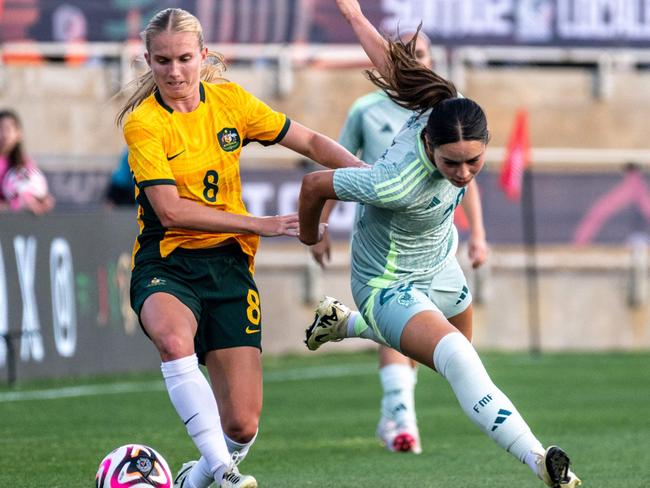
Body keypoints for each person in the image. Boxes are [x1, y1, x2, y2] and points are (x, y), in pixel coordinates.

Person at [298, 1, 581, 487]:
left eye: (474, 161)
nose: (464, 173)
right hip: (386, 283)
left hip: (442, 265)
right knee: (458, 359)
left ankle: (343, 323)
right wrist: (311, 233)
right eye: (452, 164)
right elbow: (314, 185)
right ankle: (543, 462)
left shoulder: (447, 107)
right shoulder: (393, 183)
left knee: (458, 359)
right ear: (428, 145)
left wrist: (353, 17)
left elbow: (394, 65)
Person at [117, 8, 364, 488]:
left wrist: (370, 177)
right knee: (172, 340)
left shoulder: (229, 102)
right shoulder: (144, 124)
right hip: (167, 260)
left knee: (243, 424)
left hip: (229, 265)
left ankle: (197, 478)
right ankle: (227, 474)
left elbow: (309, 140)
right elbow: (170, 211)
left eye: (184, 59)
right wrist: (260, 223)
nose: (174, 72)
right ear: (147, 60)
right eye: (162, 61)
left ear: (202, 56)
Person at [309, 29, 489, 454]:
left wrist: (478, 235)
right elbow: (335, 165)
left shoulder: (446, 112)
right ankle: (403, 421)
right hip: (384, 241)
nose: (418, 63)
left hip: (432, 242)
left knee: (450, 346)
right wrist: (320, 228)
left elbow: (466, 178)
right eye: (409, 57)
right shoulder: (365, 111)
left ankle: (349, 328)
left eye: (423, 55)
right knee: (401, 317)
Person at [0, 109, 55, 214]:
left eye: (8, 129)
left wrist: (41, 200)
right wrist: (14, 205)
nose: (4, 135)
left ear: (19, 134)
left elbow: (31, 190)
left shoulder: (25, 163)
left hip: (17, 225)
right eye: (0, 129)